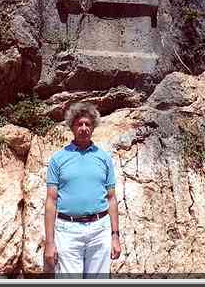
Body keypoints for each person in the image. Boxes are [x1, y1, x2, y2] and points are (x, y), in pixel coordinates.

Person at [44, 102, 121, 278]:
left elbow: (111, 199)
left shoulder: (104, 158)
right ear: (72, 127)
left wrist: (115, 236)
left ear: (93, 127)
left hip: (99, 229)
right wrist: (49, 243)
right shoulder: (58, 159)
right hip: (67, 230)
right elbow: (51, 201)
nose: (84, 128)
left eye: (88, 124)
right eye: (80, 124)